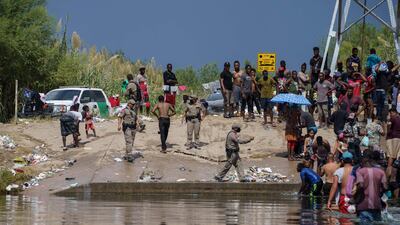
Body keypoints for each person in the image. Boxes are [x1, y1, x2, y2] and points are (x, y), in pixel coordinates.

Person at [355, 154, 387, 224]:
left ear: (362, 163)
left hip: (363, 205)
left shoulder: (360, 171)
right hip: (377, 205)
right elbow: (385, 187)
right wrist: (379, 194)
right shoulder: (381, 172)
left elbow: (360, 185)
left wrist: (355, 198)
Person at [386, 108, 400, 191]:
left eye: (391, 113)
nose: (390, 114)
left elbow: (388, 127)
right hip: (398, 138)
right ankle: (393, 178)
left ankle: (388, 179)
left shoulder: (393, 118)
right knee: (396, 158)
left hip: (392, 138)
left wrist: (388, 129)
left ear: (394, 112)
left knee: (390, 159)